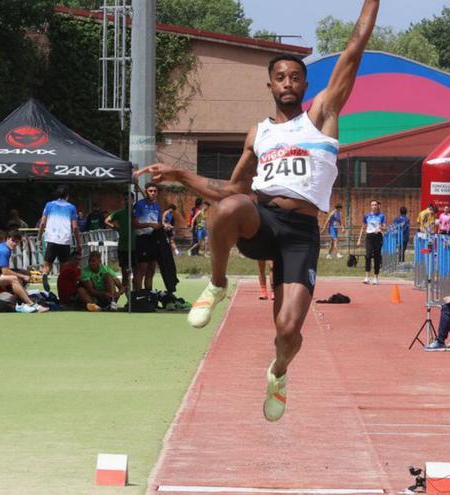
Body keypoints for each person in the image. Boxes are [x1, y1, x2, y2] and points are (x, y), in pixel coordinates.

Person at [134, 0, 379, 422]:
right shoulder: (259, 134)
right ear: (269, 85)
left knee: (287, 331)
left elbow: (354, 48)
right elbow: (230, 189)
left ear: (305, 84)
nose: (288, 83)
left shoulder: (322, 115)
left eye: (295, 77)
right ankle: (217, 284)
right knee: (230, 206)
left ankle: (279, 372)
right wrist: (178, 173)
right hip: (263, 221)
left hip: (301, 233)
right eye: (280, 77)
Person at [0, 230, 49, 313]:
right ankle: (31, 304)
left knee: (23, 272)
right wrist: (23, 277)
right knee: (14, 279)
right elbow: (5, 271)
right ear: (7, 239)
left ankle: (21, 299)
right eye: (12, 241)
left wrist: (23, 275)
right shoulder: (4, 250)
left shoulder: (3, 247)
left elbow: (4, 269)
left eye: (16, 242)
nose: (14, 244)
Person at [38, 186, 81, 292]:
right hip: (65, 240)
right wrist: (79, 243)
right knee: (63, 270)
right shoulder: (71, 207)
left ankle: (44, 275)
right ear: (67, 196)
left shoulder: (49, 205)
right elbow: (75, 227)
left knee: (47, 265)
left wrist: (39, 237)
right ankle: (62, 293)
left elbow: (42, 223)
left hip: (51, 239)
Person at [133, 183, 162, 291]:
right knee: (142, 270)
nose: (153, 193)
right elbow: (134, 224)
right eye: (150, 191)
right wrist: (149, 225)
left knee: (151, 270)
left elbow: (158, 222)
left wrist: (161, 226)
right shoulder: (139, 205)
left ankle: (148, 295)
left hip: (153, 239)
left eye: (155, 191)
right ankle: (138, 295)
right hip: (142, 239)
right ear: (146, 192)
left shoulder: (157, 206)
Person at [106, 193, 137, 289]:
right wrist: (116, 227)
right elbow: (106, 220)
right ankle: (127, 298)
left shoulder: (137, 212)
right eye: (126, 199)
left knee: (136, 274)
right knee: (125, 274)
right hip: (123, 247)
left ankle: (136, 297)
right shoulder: (119, 213)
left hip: (136, 246)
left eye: (130, 199)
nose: (128, 201)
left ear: (133, 200)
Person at [358, 199, 386, 285]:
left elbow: (385, 227)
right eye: (372, 205)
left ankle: (376, 277)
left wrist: (381, 228)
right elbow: (363, 227)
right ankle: (366, 277)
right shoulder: (367, 216)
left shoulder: (381, 216)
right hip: (369, 236)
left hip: (378, 236)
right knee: (368, 255)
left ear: (378, 206)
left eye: (375, 205)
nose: (374, 206)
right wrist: (359, 239)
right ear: (370, 206)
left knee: (377, 256)